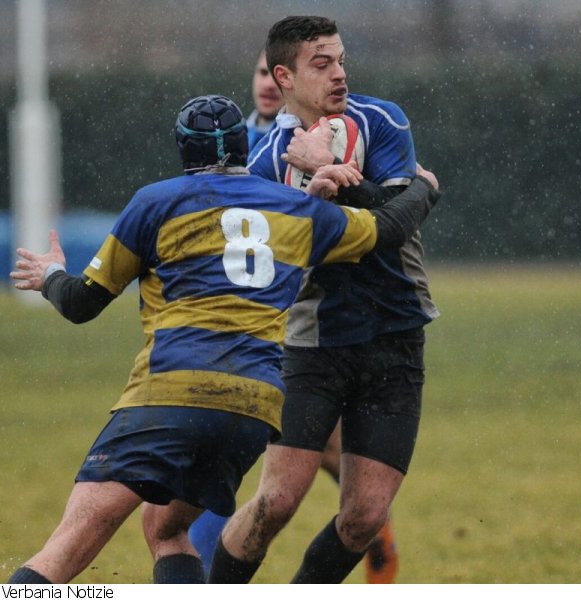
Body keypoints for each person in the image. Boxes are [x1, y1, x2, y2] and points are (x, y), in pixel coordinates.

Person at [5, 94, 440, 584]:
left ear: (181, 149)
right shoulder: (297, 209)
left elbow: (81, 304)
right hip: (251, 409)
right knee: (167, 528)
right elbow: (390, 228)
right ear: (244, 146)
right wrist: (425, 188)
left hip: (169, 395)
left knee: (62, 553)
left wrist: (50, 275)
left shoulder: (155, 202)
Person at [206, 16, 437, 584]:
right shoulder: (264, 162)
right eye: (322, 64)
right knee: (275, 503)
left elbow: (393, 222)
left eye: (341, 61)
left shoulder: (383, 120)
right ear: (285, 76)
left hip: (395, 335)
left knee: (364, 518)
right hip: (312, 346)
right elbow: (279, 260)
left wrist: (334, 176)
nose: (339, 75)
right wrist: (318, 187)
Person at [247, 48, 283, 149]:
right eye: (263, 72)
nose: (268, 85)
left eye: (280, 76)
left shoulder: (299, 147)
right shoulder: (229, 138)